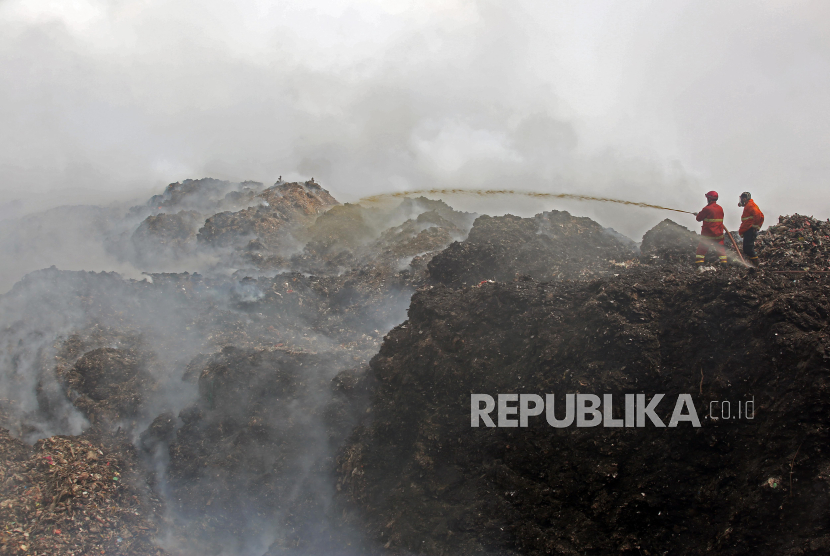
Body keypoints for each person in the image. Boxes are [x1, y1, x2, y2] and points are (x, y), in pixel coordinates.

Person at [693, 191, 727, 265]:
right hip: (718, 234)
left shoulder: (707, 209)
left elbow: (698, 218)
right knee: (721, 250)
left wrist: (698, 214)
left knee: (701, 250)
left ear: (709, 199)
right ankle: (724, 264)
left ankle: (699, 264)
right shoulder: (720, 208)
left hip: (708, 234)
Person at [738, 192, 764, 266]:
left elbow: (758, 215)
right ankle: (752, 265)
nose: (741, 200)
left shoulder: (750, 205)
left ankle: (756, 265)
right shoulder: (749, 205)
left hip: (750, 230)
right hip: (748, 230)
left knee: (748, 249)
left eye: (742, 199)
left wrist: (755, 227)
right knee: (746, 248)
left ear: (745, 198)